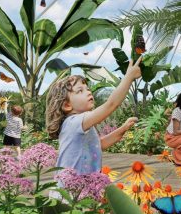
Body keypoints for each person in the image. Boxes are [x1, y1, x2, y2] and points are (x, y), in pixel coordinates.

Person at [46, 57, 142, 187]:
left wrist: (123, 128)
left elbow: (100, 144)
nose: (88, 92)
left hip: (83, 189)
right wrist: (129, 77)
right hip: (68, 193)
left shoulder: (83, 124)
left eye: (87, 88)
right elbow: (111, 105)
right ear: (67, 105)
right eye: (80, 91)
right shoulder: (73, 122)